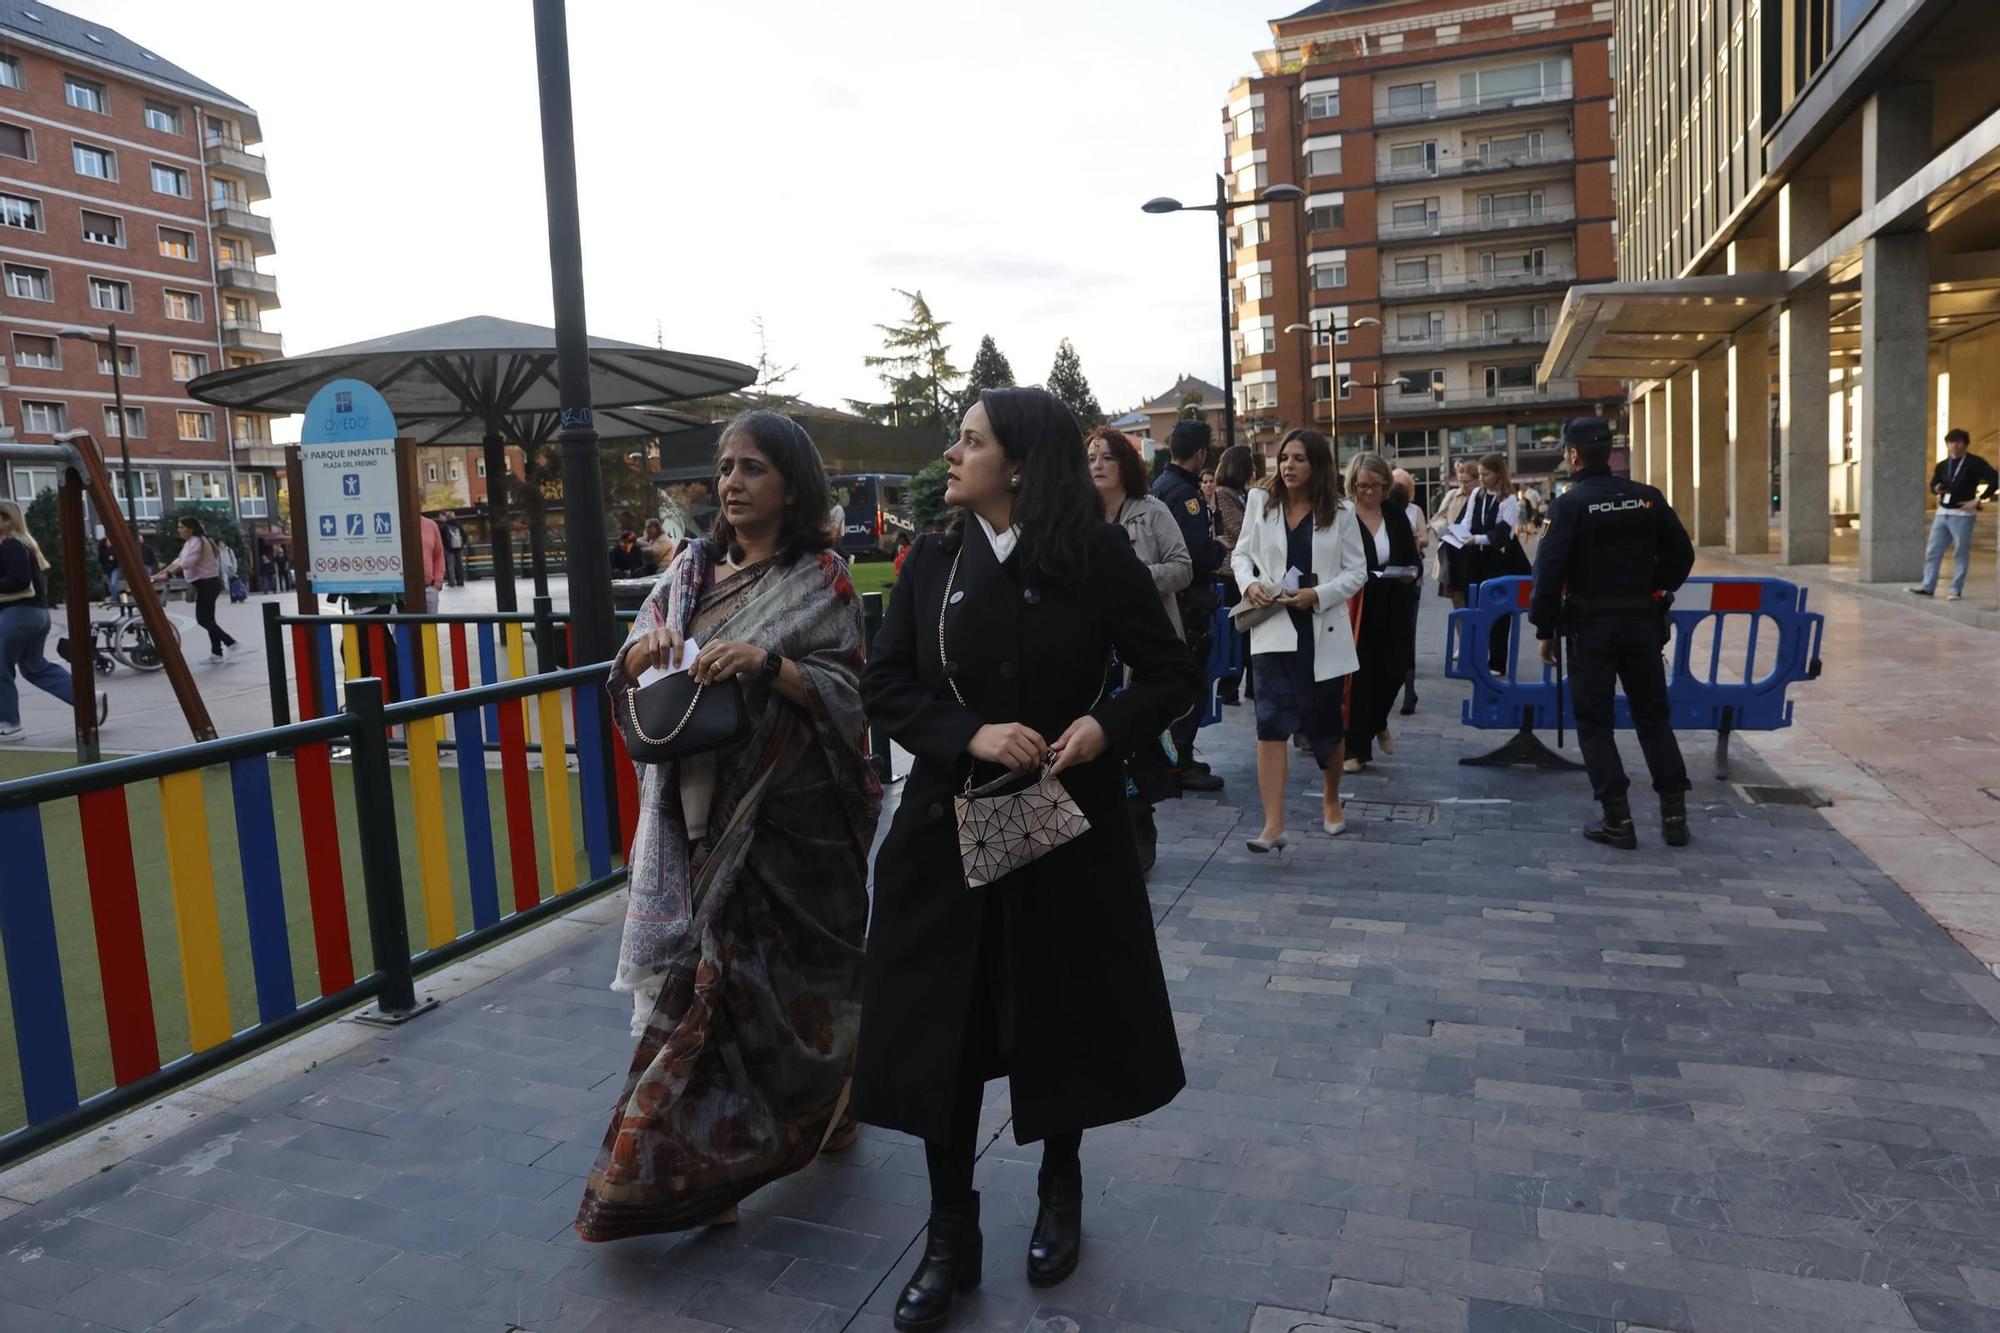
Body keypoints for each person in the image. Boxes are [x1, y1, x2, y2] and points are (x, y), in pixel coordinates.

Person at [856, 387, 1195, 1330]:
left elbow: (1170, 671)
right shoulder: (929, 558)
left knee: (1060, 1013)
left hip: (1060, 827)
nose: (952, 454)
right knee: (941, 1029)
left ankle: (1060, 1186)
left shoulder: (1093, 556)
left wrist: (1104, 725)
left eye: (970, 441)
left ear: (1019, 464)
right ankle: (947, 1235)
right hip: (942, 832)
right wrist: (968, 732)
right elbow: (885, 684)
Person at [576, 409, 880, 1241]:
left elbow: (854, 698)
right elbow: (633, 663)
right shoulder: (689, 571)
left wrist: (766, 663)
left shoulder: (823, 579)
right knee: (719, 997)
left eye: (752, 468)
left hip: (802, 830)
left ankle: (831, 1104)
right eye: (726, 468)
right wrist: (643, 652)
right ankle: (700, 1169)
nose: (733, 483)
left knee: (806, 1001)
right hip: (712, 829)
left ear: (791, 484)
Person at [1530, 417, 1695, 849]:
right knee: (1654, 720)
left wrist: (1544, 628)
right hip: (1642, 623)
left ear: (1572, 455)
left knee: (1594, 723)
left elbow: (1547, 573)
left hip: (1591, 629)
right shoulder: (1647, 499)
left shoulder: (1569, 506)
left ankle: (1618, 820)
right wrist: (1653, 588)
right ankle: (1674, 817)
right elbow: (1682, 554)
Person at [1231, 428, 1368, 850]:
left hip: (1319, 629)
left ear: (1317, 466)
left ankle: (1331, 799)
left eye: (1299, 459)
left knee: (1325, 721)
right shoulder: (1260, 503)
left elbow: (1357, 571)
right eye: (1284, 458)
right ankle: (1274, 823)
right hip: (1273, 627)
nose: (1288, 466)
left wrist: (1318, 595)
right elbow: (1240, 555)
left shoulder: (1341, 513)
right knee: (1269, 722)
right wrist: (1249, 584)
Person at [1088, 424, 1192, 874]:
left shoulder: (1151, 512)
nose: (1097, 464)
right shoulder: (1080, 515)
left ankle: (1140, 823)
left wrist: (1133, 579)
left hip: (1138, 647)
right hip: (1094, 651)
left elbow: (1183, 568)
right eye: (1090, 457)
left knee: (1133, 740)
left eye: (1106, 457)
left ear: (1125, 464)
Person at [1150, 419, 1225, 792]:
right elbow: (1195, 554)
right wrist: (1220, 547)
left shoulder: (1159, 487)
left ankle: (1173, 755)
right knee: (1189, 683)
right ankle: (1179, 758)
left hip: (1167, 603)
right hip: (1188, 605)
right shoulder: (1186, 495)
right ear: (1200, 454)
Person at [1342, 454, 1420, 773]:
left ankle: (1378, 722)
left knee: (1394, 672)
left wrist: (1409, 573)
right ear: (1352, 485)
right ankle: (1355, 751)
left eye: (1376, 486)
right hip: (1357, 607)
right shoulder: (1343, 515)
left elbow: (1412, 559)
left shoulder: (1394, 514)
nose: (1369, 492)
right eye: (1363, 486)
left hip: (1394, 603)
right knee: (1360, 678)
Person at [1, 499, 100, 740]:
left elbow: (20, 581)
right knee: (35, 667)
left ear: (7, 520)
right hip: (35, 615)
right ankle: (88, 700)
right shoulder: (23, 544)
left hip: (18, 615)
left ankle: (10, 725)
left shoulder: (12, 545)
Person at [1449, 452, 1530, 673]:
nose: (1482, 478)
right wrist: (1459, 533)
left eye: (1486, 474)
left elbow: (1504, 535)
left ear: (1498, 474)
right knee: (1474, 604)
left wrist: (1476, 539)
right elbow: (1468, 520)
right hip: (1477, 558)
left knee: (1499, 611)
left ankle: (1497, 662)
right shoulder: (1477, 494)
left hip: (1500, 559)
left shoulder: (1509, 500)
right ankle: (1475, 655)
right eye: (1480, 474)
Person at [1909, 428, 1997, 601]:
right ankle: (1928, 586)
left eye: (1958, 442)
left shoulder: (1975, 463)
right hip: (1942, 513)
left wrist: (1979, 500)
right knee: (1933, 551)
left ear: (1965, 444)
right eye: (1951, 442)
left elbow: (1995, 480)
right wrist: (1936, 488)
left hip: (1963, 515)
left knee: (1960, 552)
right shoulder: (1943, 465)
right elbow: (1934, 483)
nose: (1954, 445)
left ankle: (1955, 588)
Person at [154, 516, 238, 663]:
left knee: (203, 619)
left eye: (181, 527)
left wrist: (167, 574)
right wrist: (159, 574)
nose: (178, 530)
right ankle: (216, 653)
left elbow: (187, 563)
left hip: (208, 583)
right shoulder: (190, 543)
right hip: (204, 583)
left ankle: (231, 643)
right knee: (209, 619)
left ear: (190, 529)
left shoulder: (198, 542)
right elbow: (178, 561)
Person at [1211, 445, 1254, 706]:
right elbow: (1239, 529)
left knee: (1247, 631)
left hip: (1244, 569)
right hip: (1228, 572)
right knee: (1234, 632)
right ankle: (1228, 688)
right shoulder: (1223, 495)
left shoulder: (1244, 494)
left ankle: (1246, 685)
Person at [1392, 466, 1426, 716]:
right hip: (1389, 584)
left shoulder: (1414, 512)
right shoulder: (1380, 516)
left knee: (1408, 637)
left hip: (1409, 583)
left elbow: (1422, 542)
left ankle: (1409, 692)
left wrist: (1417, 539)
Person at [1431, 460, 1478, 609]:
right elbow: (1438, 518)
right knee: (1457, 599)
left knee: (1476, 600)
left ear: (1477, 480)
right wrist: (1446, 530)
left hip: (1474, 552)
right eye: (1460, 481)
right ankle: (1462, 633)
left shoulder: (1481, 497)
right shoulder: (1452, 495)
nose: (1463, 485)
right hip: (1453, 552)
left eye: (1467, 482)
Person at [419, 514, 446, 614]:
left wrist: (437, 583)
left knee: (430, 628)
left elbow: (439, 554)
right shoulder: (395, 524)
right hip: (401, 591)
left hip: (428, 588)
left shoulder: (431, 525)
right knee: (402, 628)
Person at [440, 518, 468, 586]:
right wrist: (462, 545)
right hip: (459, 548)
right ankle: (461, 581)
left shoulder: (445, 526)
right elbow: (464, 536)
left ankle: (452, 582)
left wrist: (445, 547)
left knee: (450, 565)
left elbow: (442, 538)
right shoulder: (459, 525)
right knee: (460, 565)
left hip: (449, 549)